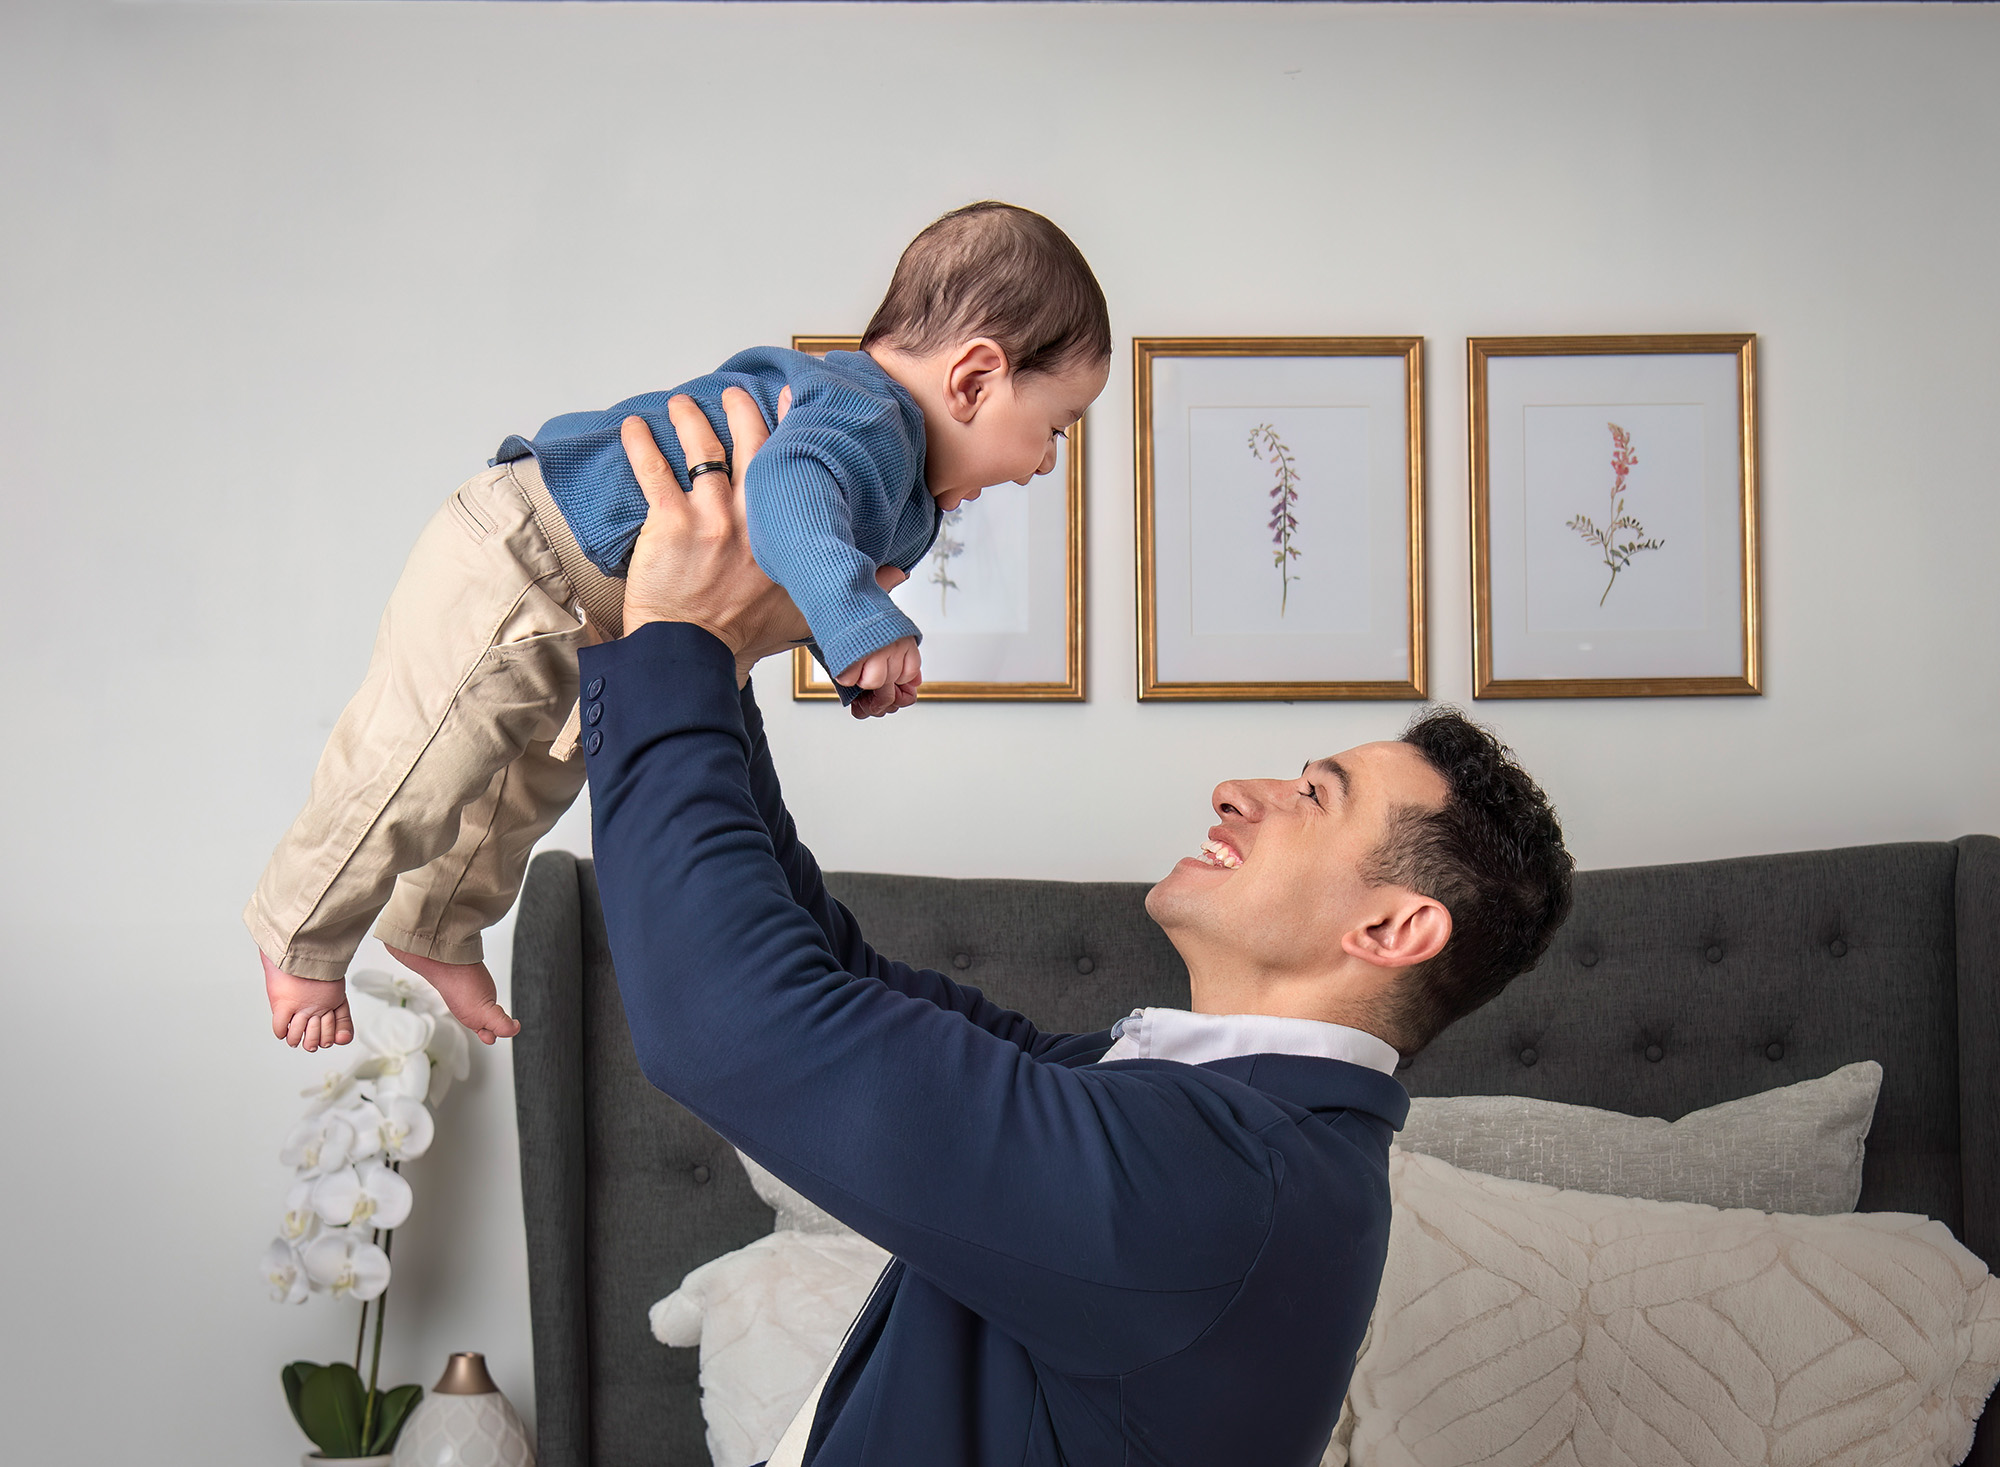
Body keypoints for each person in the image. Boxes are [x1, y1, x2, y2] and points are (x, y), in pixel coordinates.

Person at [584, 391, 1575, 1466]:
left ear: (1392, 929)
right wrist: (713, 662)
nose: (1240, 791)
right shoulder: (1187, 1117)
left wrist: (675, 642)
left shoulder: (1219, 1184)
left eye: (1312, 797)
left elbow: (733, 1029)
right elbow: (823, 973)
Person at [248, 201, 1112, 1054]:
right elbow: (786, 491)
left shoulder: (906, 487)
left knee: (519, 793)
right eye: (1056, 428)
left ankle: (435, 927)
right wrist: (860, 620)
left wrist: (851, 650)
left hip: (600, 614)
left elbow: (781, 559)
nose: (1045, 462)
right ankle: (300, 936)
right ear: (974, 378)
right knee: (420, 760)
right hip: (528, 554)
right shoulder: (867, 416)